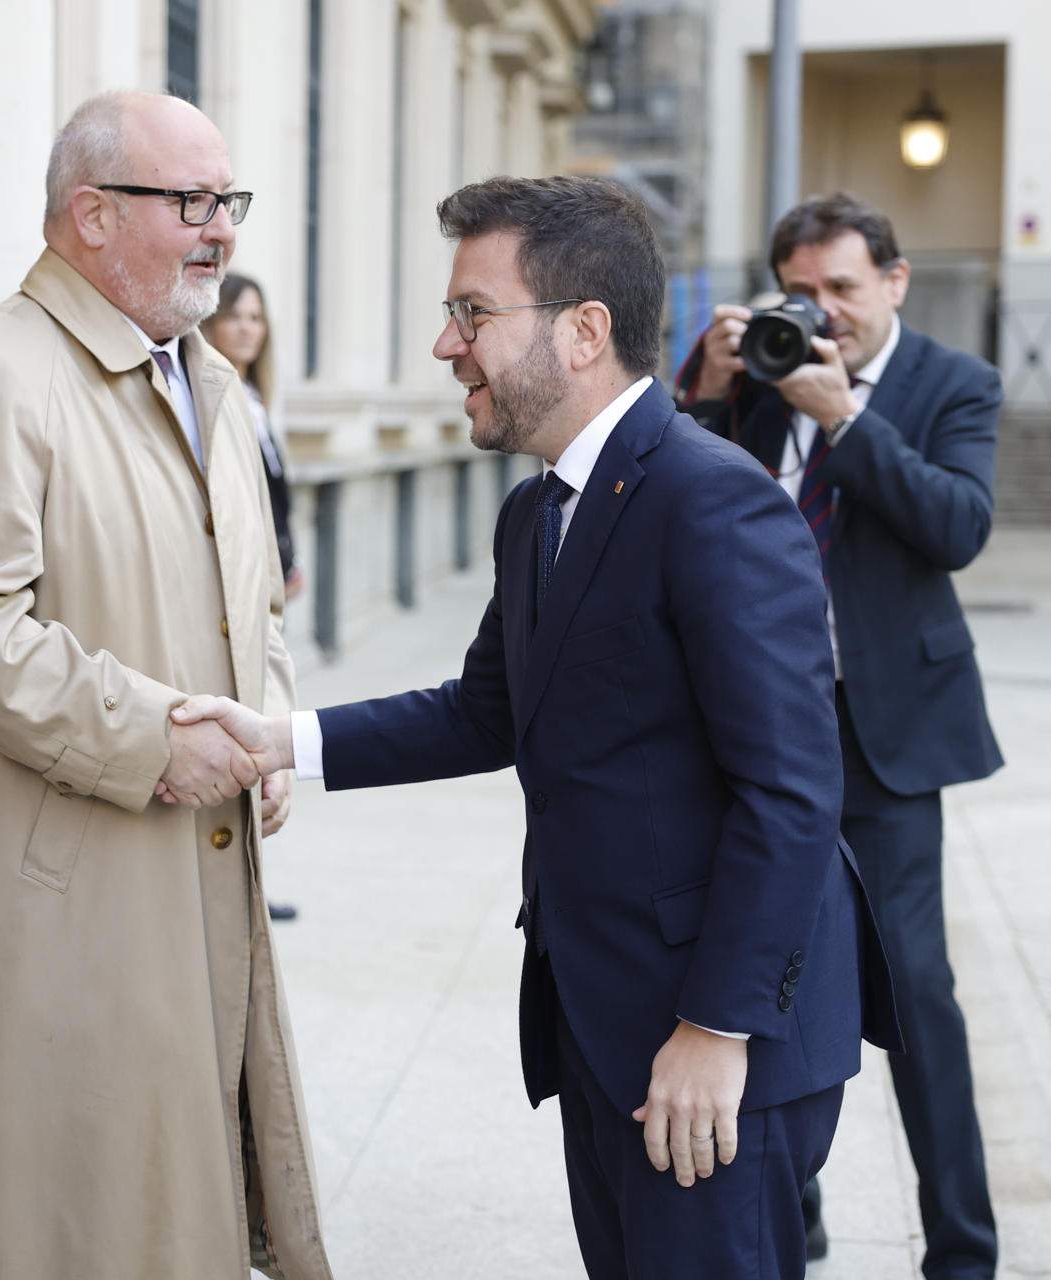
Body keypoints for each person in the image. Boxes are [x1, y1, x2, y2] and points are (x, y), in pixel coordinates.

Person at [167, 175, 901, 1280]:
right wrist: (278, 739)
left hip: (710, 1042)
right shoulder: (537, 508)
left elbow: (793, 791)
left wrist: (717, 1026)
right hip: (604, 1020)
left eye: (472, 312)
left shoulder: (712, 498)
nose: (443, 344)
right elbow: (486, 710)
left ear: (583, 331)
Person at [0, 90, 329, 1280]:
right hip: (30, 911)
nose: (222, 230)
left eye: (228, 202)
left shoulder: (217, 387)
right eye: (191, 202)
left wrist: (265, 724)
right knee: (9, 1220)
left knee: (140, 1209)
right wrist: (158, 737)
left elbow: (249, 594)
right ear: (89, 215)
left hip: (168, 876)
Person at [677, 192, 1005, 1278]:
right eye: (801, 292)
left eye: (844, 291)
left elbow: (957, 524)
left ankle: (961, 1247)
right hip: (760, 741)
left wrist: (848, 419)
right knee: (766, 975)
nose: (822, 313)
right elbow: (686, 512)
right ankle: (795, 1212)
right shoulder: (759, 382)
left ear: (896, 282)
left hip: (886, 738)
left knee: (916, 991)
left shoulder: (952, 383)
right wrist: (708, 393)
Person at [203, 273, 302, 924]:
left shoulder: (258, 399)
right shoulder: (216, 397)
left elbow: (276, 494)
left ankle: (253, 880)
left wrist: (286, 562)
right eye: (236, 316)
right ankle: (240, 884)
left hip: (271, 578)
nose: (247, 328)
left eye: (257, 319)